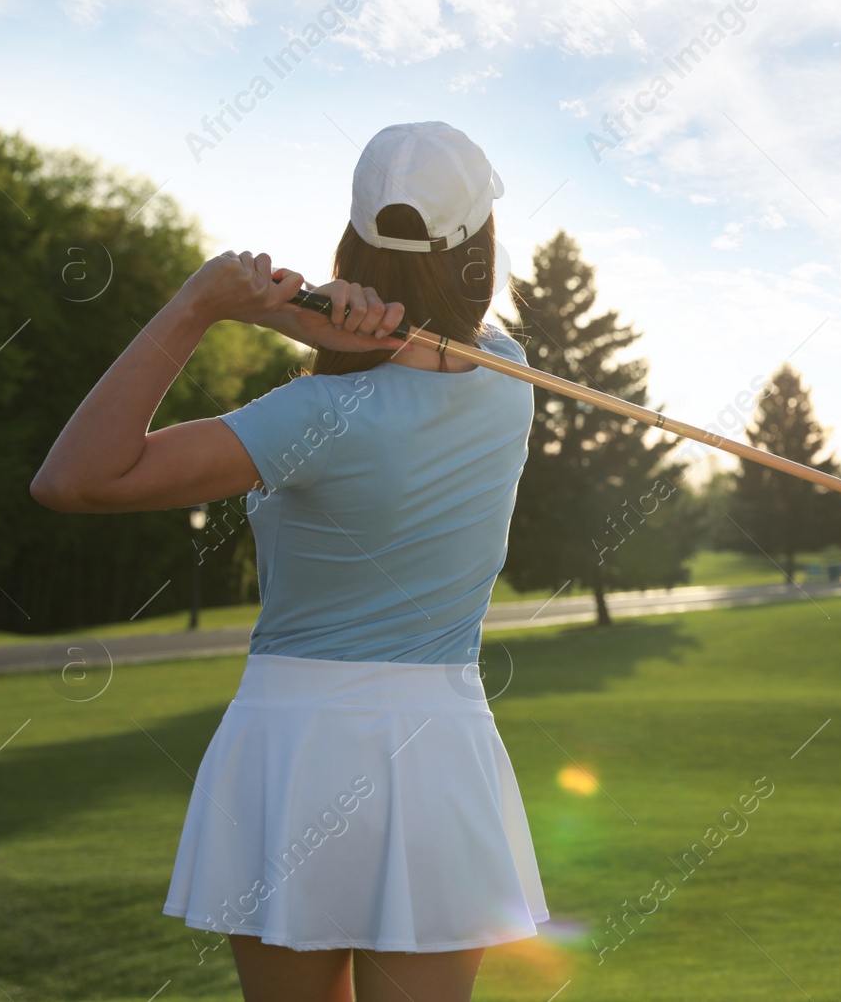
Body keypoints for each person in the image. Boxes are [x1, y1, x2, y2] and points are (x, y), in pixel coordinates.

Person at [32, 122, 548, 1002]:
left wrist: (198, 305)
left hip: (291, 742)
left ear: (352, 243)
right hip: (437, 746)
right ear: (480, 254)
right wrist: (337, 319)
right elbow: (430, 347)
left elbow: (73, 479)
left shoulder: (307, 420)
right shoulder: (509, 375)